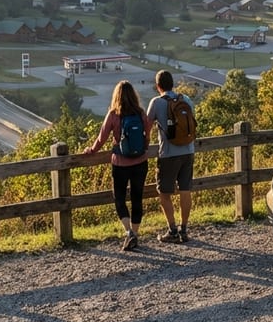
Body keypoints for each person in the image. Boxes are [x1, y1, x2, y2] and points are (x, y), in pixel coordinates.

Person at [83, 80, 152, 251]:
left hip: (120, 163)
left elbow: (102, 137)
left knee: (119, 198)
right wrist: (142, 149)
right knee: (137, 198)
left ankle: (129, 233)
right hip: (140, 162)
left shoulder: (114, 114)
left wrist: (91, 149)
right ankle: (135, 234)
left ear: (116, 96)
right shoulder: (141, 113)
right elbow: (147, 136)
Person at [146, 69, 194, 243]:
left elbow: (147, 125)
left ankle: (172, 230)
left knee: (164, 192)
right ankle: (184, 229)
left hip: (168, 154)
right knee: (185, 190)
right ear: (172, 83)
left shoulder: (157, 102)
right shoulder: (185, 100)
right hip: (188, 151)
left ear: (158, 86)